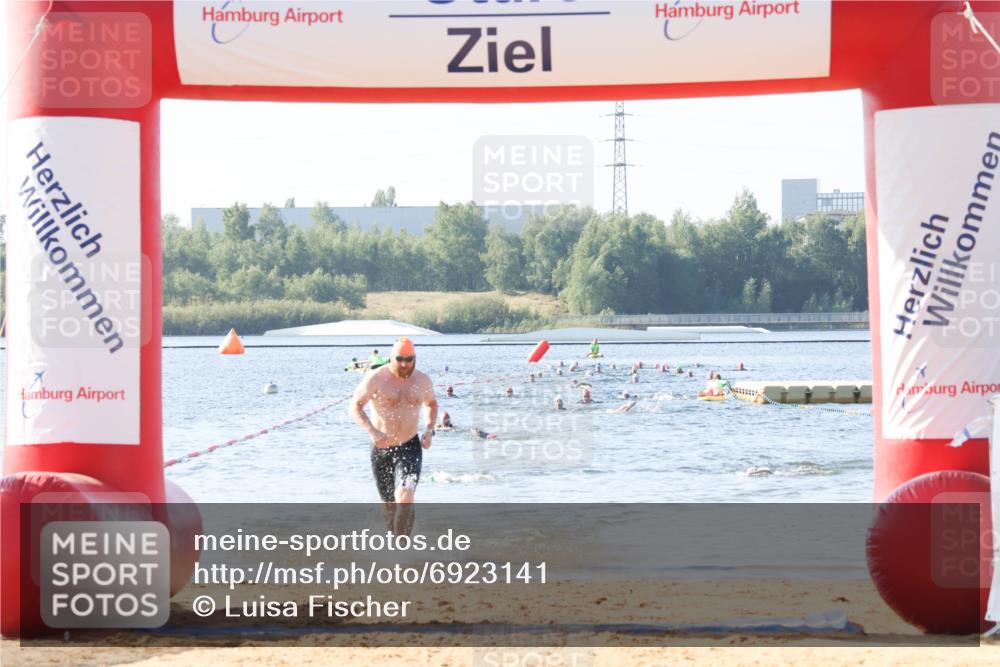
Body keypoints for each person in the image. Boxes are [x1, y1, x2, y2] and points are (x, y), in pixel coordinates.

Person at [349, 337, 437, 518]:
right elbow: (354, 407)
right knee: (389, 507)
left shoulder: (422, 380)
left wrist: (429, 430)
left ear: (414, 358)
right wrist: (373, 432)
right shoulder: (376, 378)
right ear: (391, 358)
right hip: (381, 448)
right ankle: (392, 540)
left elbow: (432, 404)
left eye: (409, 359)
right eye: (400, 359)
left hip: (410, 446)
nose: (404, 364)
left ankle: (403, 543)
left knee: (405, 497)